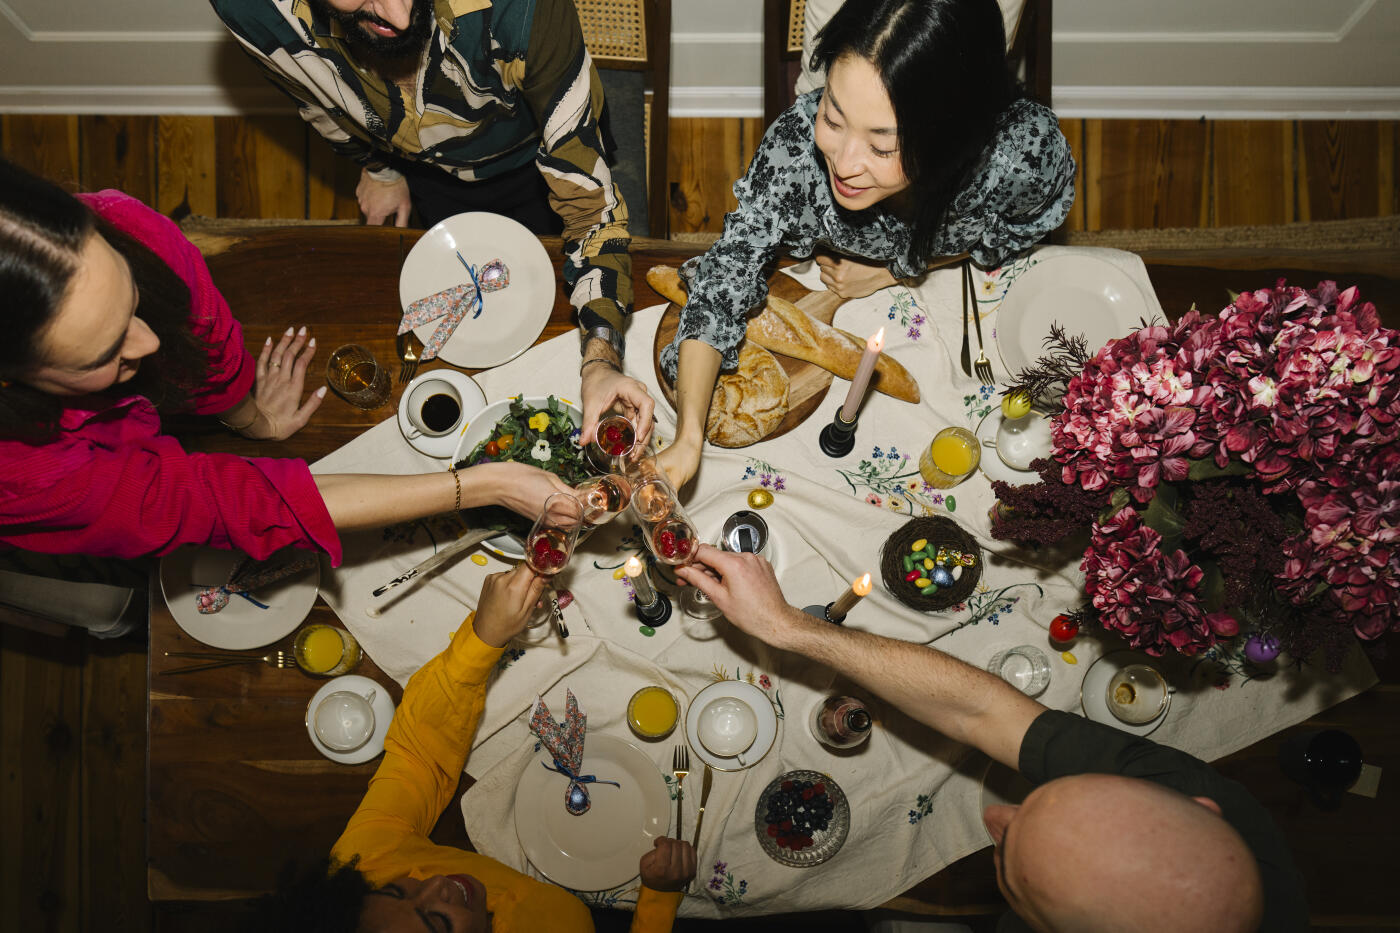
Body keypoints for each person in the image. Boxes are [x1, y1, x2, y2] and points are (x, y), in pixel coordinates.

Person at [676, 545, 1306, 933]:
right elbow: (981, 713)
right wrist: (792, 631)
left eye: (1011, 863)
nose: (997, 815)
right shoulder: (1228, 828)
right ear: (1198, 806)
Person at [0, 159, 573, 565]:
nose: (149, 344)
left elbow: (205, 351)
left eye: (132, 299)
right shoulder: (23, 479)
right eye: (105, 352)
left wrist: (249, 416)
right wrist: (484, 484)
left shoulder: (132, 230)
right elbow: (228, 504)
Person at [656, 0, 1075, 489]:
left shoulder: (1022, 156)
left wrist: (896, 268)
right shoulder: (795, 152)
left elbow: (1018, 230)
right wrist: (688, 438)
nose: (845, 162)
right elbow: (725, 280)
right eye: (833, 118)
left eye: (882, 146)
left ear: (956, 138)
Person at [208, 0, 655, 451]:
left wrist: (600, 359)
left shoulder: (524, 9)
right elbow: (315, 97)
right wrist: (381, 171)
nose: (399, 18)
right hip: (428, 173)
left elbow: (589, 209)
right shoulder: (252, 10)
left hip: (531, 153)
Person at [254, 564, 695, 932]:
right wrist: (657, 900)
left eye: (399, 890)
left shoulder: (364, 865)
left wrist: (481, 639)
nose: (437, 885)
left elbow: (418, 758)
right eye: (437, 923)